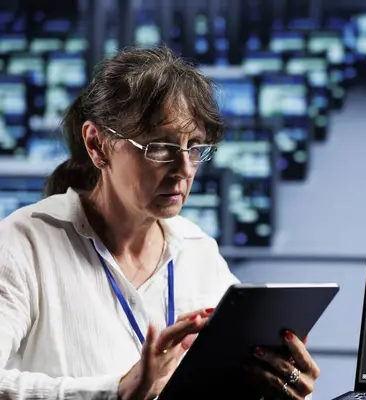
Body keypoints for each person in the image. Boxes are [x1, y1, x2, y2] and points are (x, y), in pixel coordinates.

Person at [0, 46, 319, 400]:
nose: (184, 170)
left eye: (194, 146)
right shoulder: (22, 245)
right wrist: (117, 393)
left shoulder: (197, 251)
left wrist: (275, 386)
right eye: (160, 147)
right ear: (98, 145)